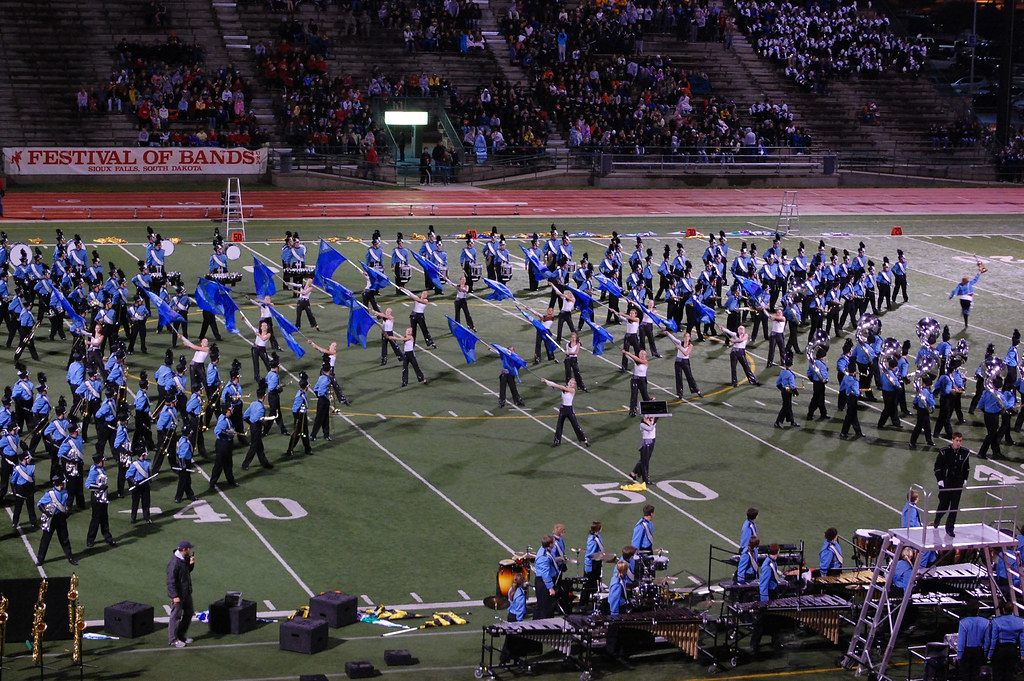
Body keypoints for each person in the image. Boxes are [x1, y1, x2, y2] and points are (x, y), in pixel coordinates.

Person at [933, 432, 971, 537]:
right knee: (943, 504)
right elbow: (937, 467)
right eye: (957, 440)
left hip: (957, 482)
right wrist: (940, 479)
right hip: (946, 482)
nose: (958, 443)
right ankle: (937, 518)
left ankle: (950, 528)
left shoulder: (965, 452)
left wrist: (965, 479)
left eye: (960, 441)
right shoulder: (944, 452)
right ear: (952, 440)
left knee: (954, 507)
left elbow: (966, 468)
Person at [36, 476, 78, 565]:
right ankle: (40, 559)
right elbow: (40, 504)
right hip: (52, 519)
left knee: (64, 538)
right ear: (60, 483)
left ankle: (70, 557)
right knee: (46, 539)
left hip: (61, 518)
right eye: (63, 482)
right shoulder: (50, 494)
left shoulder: (65, 492)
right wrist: (46, 512)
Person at [541, 377, 588, 447]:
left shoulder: (572, 390)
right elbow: (556, 384)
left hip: (569, 410)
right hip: (563, 409)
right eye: (570, 382)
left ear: (574, 385)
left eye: (572, 383)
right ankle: (557, 441)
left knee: (576, 425)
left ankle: (584, 439)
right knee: (559, 426)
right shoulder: (564, 388)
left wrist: (552, 385)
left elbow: (559, 386)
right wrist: (545, 381)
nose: (570, 383)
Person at [167, 539, 196, 648]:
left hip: (186, 592)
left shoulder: (183, 559)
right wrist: (174, 596)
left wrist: (191, 564)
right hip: (179, 595)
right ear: (185, 549)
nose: (190, 550)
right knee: (175, 616)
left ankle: (181, 635)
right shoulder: (175, 563)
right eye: (189, 548)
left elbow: (186, 572)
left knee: (189, 612)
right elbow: (170, 581)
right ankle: (173, 639)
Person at [985, 601, 1024, 681]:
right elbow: (1022, 640)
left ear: (1003, 609)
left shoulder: (996, 621)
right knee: (1010, 674)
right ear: (1012, 609)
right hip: (1013, 650)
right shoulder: (1021, 622)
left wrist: (990, 654)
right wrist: (1022, 654)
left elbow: (994, 639)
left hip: (1000, 650)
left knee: (998, 674)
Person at [85, 453, 116, 547]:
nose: (104, 462)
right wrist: (100, 487)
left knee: (104, 519)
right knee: (96, 519)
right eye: (102, 461)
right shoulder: (94, 471)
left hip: (103, 497)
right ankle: (90, 539)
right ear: (99, 462)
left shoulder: (100, 469)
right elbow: (88, 485)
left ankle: (107, 537)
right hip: (97, 498)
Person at [241, 384, 273, 471]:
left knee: (259, 447)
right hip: (256, 428)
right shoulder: (261, 408)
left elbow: (245, 416)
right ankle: (245, 464)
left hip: (253, 427)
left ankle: (264, 463)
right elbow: (257, 419)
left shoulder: (253, 404)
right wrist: (265, 423)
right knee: (254, 447)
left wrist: (251, 423)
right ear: (263, 397)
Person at [665, 331, 702, 399]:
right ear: (683, 337)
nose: (686, 338)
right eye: (685, 336)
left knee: (689, 376)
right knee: (678, 377)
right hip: (678, 361)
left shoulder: (690, 346)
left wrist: (679, 348)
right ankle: (680, 392)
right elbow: (673, 339)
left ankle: (697, 390)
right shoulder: (679, 343)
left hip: (685, 361)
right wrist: (668, 333)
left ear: (690, 338)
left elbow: (686, 353)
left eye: (688, 337)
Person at [956, 602, 988, 681]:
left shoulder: (963, 622)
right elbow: (987, 640)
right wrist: (986, 653)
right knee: (976, 674)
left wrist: (959, 655)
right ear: (978, 611)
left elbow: (961, 641)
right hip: (978, 650)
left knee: (966, 675)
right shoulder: (986, 622)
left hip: (967, 651)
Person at [208, 405, 238, 490]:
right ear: (226, 411)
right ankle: (212, 482)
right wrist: (228, 433)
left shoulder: (224, 418)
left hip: (227, 443)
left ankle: (231, 480)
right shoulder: (223, 420)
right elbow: (217, 431)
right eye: (230, 410)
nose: (231, 412)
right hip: (222, 444)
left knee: (228, 464)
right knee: (219, 464)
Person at [948, 262, 984, 328]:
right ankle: (966, 312)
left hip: (962, 299)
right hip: (968, 299)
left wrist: (951, 297)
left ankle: (965, 321)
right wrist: (979, 272)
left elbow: (954, 291)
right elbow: (976, 279)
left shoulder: (960, 285)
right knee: (970, 307)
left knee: (964, 309)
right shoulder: (970, 283)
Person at [533, 535, 560, 620]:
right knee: (544, 607)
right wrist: (550, 588)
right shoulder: (544, 557)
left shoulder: (546, 550)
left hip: (545, 580)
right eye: (553, 542)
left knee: (547, 606)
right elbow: (545, 574)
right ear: (550, 544)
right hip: (543, 583)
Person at [10, 451, 37, 530]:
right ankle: (15, 522)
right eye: (28, 458)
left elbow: (33, 478)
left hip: (29, 488)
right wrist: (14, 491)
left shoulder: (31, 467)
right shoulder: (17, 468)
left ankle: (33, 522)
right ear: (24, 459)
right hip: (20, 489)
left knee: (31, 507)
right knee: (18, 507)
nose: (29, 459)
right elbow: (13, 481)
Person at [127, 445, 155, 522]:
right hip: (137, 484)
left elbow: (149, 471)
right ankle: (133, 517)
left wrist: (150, 478)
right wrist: (134, 482)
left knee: (146, 501)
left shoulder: (148, 461)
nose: (147, 455)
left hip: (145, 483)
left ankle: (147, 517)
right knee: (135, 502)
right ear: (142, 455)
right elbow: (128, 475)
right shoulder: (134, 464)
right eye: (145, 454)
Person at [580, 521, 604, 610]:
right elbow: (589, 555)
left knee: (594, 585)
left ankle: (591, 603)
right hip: (592, 565)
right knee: (587, 586)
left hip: (596, 563)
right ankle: (583, 604)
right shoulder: (593, 540)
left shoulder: (597, 537)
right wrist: (588, 567)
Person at [628, 416, 657, 488]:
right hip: (646, 443)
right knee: (645, 462)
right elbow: (650, 429)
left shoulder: (651, 421)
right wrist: (653, 422)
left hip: (652, 442)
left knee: (645, 460)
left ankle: (633, 473)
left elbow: (656, 417)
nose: (650, 419)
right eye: (648, 418)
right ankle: (645, 479)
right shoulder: (642, 424)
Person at [621, 348, 651, 417]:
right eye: (641, 354)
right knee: (634, 395)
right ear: (639, 355)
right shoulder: (636, 361)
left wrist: (629, 353)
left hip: (642, 380)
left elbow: (637, 359)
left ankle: (648, 409)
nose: (643, 355)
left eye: (644, 354)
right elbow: (629, 357)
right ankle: (632, 411)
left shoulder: (645, 362)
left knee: (645, 396)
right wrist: (625, 353)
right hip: (634, 379)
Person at [908, 375, 936, 449]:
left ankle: (929, 440)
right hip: (924, 410)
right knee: (919, 427)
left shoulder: (920, 391)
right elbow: (930, 401)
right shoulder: (927, 392)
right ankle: (912, 442)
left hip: (921, 410)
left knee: (927, 426)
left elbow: (915, 401)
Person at [774, 353, 800, 428]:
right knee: (786, 407)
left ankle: (792, 421)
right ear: (791, 365)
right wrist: (795, 393)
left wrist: (782, 389)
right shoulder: (791, 375)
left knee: (788, 406)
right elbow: (792, 386)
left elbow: (778, 383)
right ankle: (778, 422)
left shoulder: (783, 372)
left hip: (784, 390)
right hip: (788, 391)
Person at [840, 362, 864, 438]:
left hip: (847, 397)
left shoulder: (845, 377)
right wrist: (859, 392)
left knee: (854, 416)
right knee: (849, 416)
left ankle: (858, 431)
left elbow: (842, 387)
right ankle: (843, 432)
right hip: (853, 399)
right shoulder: (855, 381)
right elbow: (857, 393)